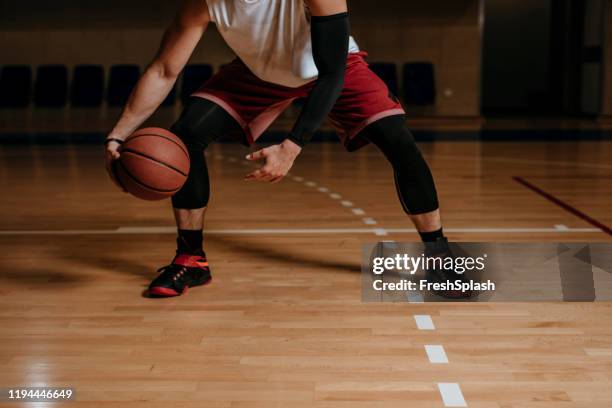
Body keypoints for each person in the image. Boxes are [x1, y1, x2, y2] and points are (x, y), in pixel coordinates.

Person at [105, 0, 453, 297]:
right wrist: (119, 135)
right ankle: (191, 259)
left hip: (334, 68)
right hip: (259, 74)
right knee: (185, 135)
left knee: (399, 141)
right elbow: (165, 71)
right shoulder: (205, 3)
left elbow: (332, 73)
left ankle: (439, 257)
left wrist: (292, 144)